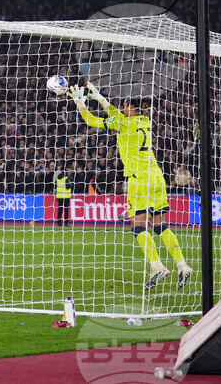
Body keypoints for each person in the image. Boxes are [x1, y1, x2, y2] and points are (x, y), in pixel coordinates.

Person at [68, 82, 192, 289]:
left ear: (130, 108)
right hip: (156, 176)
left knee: (138, 226)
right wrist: (100, 99)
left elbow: (90, 120)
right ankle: (182, 265)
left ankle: (157, 266)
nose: (122, 108)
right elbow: (117, 114)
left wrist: (80, 102)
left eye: (125, 105)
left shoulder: (123, 124)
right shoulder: (145, 120)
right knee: (160, 225)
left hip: (139, 179)